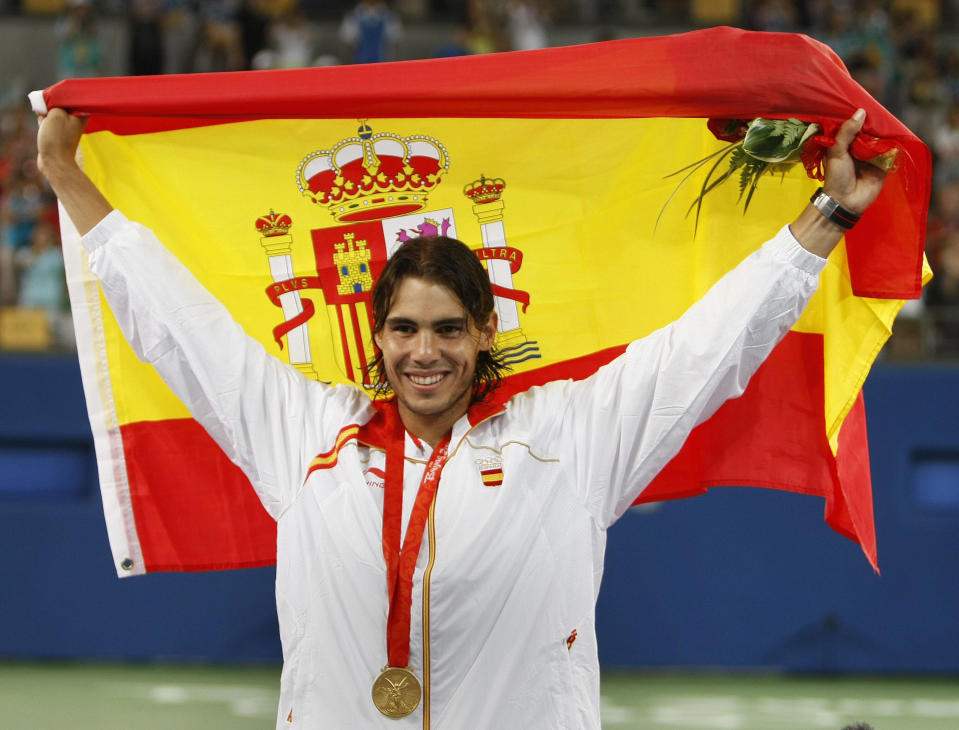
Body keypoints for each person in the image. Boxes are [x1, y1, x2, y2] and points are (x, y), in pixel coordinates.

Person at [36, 106, 885, 728]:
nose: (423, 352)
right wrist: (69, 178)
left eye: (448, 328)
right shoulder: (303, 434)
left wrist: (829, 216)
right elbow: (182, 331)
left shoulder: (566, 439)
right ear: (376, 335)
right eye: (403, 328)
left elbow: (706, 350)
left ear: (485, 330)